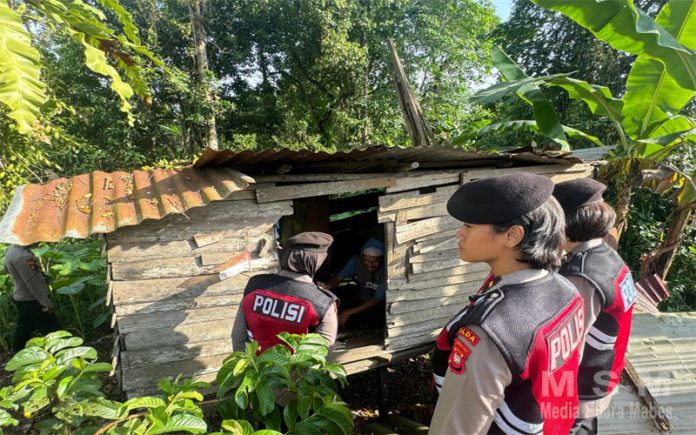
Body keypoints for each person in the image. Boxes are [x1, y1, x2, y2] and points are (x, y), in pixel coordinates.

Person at [429, 172, 585, 435]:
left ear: (512, 235)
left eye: (469, 225)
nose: (459, 234)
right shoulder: (567, 291)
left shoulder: (491, 332)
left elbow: (458, 427)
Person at [553, 178, 636, 435]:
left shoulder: (581, 276)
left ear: (563, 223)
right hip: (602, 374)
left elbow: (569, 349)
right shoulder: (608, 257)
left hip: (578, 390)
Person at [231, 232, 339, 353]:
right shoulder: (322, 302)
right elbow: (323, 352)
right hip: (296, 365)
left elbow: (238, 338)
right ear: (316, 261)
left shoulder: (254, 285)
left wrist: (249, 364)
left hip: (255, 363)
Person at [4, 244, 61, 351]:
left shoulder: (11, 249)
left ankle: (17, 352)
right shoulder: (23, 256)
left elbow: (6, 269)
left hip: (20, 297)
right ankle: (63, 353)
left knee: (24, 328)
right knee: (53, 330)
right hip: (32, 300)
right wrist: (46, 303)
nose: (38, 242)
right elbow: (33, 284)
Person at [320, 238, 385, 329]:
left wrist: (347, 313)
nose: (370, 264)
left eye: (375, 261)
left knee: (373, 317)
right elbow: (338, 279)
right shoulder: (356, 262)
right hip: (361, 298)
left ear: (381, 260)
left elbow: (376, 301)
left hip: (376, 304)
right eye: (366, 260)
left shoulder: (386, 270)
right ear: (362, 257)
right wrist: (325, 287)